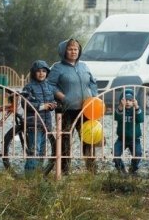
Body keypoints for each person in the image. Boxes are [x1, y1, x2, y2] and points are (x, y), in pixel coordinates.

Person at [47, 38, 98, 174]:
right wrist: (62, 97)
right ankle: (64, 170)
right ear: (64, 51)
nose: (73, 51)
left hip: (85, 110)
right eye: (70, 49)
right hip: (66, 110)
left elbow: (92, 82)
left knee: (88, 138)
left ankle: (92, 169)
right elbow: (49, 85)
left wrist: (93, 97)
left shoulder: (84, 66)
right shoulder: (57, 67)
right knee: (65, 140)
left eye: (76, 49)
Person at [19, 60, 56, 173]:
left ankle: (38, 173)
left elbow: (52, 101)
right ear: (33, 73)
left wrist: (53, 105)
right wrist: (42, 106)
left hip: (46, 123)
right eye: (38, 71)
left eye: (44, 71)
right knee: (34, 150)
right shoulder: (29, 87)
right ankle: (30, 174)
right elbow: (25, 104)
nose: (41, 73)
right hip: (33, 124)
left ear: (47, 73)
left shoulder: (49, 87)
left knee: (42, 151)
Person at [113, 88, 143, 174]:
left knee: (138, 154)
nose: (128, 102)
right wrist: (121, 106)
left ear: (134, 101)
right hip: (121, 138)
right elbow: (117, 117)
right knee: (115, 153)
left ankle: (133, 169)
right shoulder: (120, 110)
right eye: (125, 100)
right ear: (122, 101)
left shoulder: (136, 110)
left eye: (130, 100)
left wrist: (137, 107)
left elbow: (140, 119)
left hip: (135, 138)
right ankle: (121, 168)